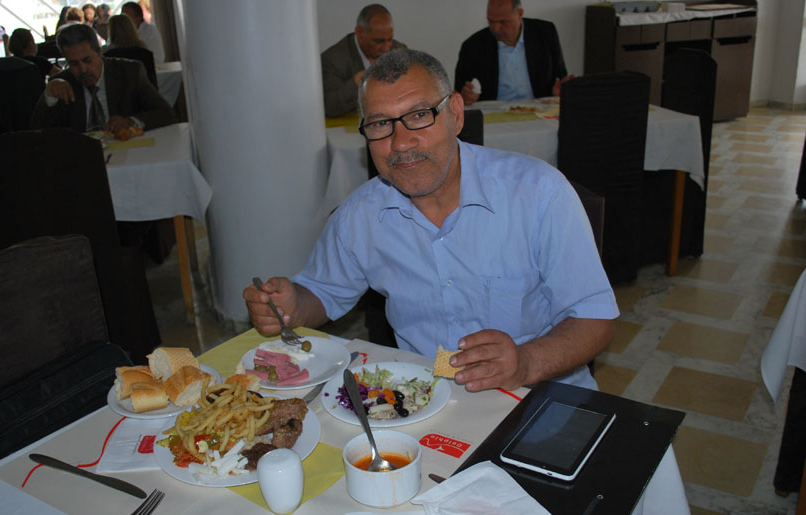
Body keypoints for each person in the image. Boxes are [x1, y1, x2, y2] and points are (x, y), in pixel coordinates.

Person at [244, 49, 617, 393]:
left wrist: (526, 363)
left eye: (419, 116)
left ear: (455, 113)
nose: (401, 143)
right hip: (424, 399)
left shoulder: (538, 193)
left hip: (541, 395)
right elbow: (321, 293)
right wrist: (291, 306)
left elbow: (596, 320)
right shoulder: (360, 215)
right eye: (380, 124)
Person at [30, 23, 175, 134]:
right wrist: (49, 97)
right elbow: (37, 131)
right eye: (73, 63)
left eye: (87, 60)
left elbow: (166, 113)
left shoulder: (129, 72)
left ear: (99, 53)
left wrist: (131, 121)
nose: (82, 69)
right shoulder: (62, 83)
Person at [454, 0, 571, 105]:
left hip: (539, 110)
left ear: (520, 14)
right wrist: (467, 96)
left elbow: (560, 76)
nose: (495, 28)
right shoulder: (473, 46)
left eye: (503, 22)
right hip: (495, 113)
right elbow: (459, 90)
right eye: (491, 21)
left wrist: (560, 90)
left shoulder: (545, 33)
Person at [320, 3, 406, 118]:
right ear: (360, 33)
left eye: (390, 39)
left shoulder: (399, 51)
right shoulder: (333, 60)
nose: (386, 48)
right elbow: (329, 107)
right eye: (378, 41)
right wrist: (357, 83)